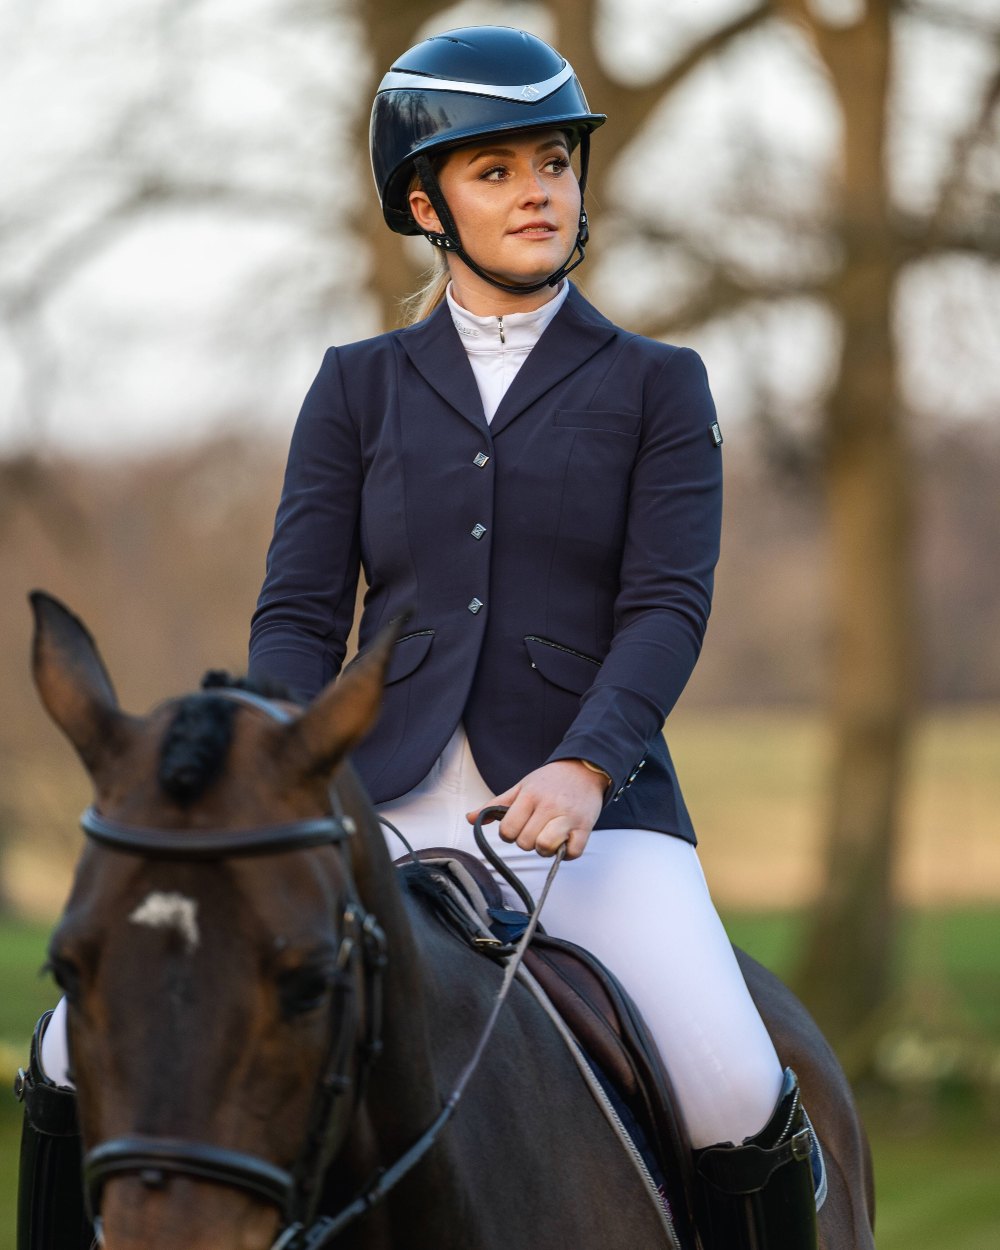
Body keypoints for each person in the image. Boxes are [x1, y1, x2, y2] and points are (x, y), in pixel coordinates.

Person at [247, 25, 824, 1250]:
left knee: (731, 1081)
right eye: (496, 169)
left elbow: (666, 603)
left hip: (593, 813)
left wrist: (585, 762)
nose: (538, 190)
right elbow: (299, 612)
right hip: (374, 801)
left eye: (554, 162)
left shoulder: (657, 384)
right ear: (425, 201)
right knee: (75, 1045)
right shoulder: (356, 384)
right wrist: (285, 773)